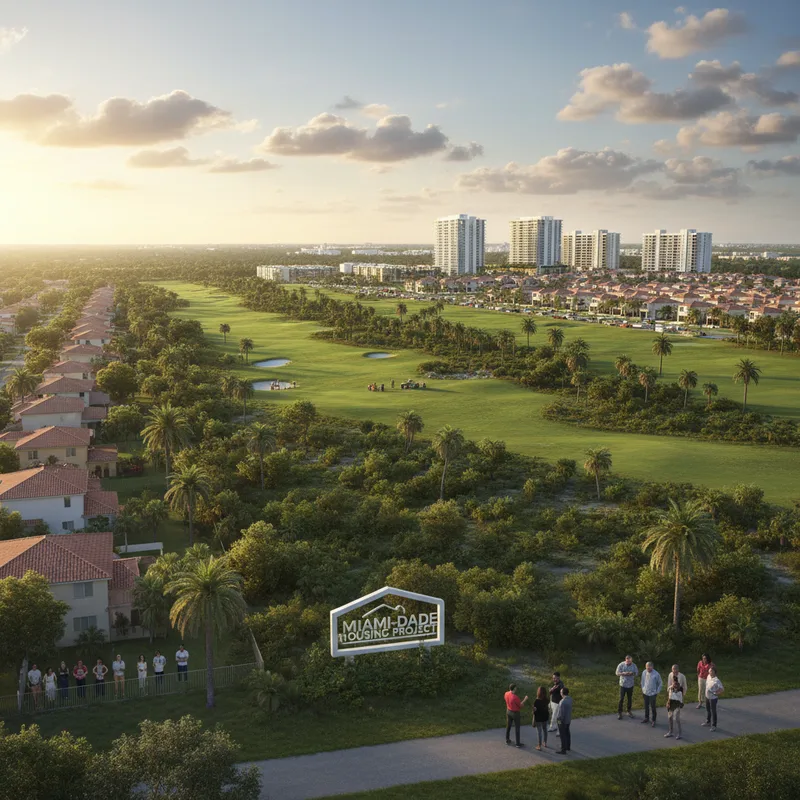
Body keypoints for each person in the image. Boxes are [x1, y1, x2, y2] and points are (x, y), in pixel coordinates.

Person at [504, 682, 528, 748]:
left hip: (508, 711)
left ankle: (507, 739)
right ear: (514, 689)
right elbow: (520, 705)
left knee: (508, 725)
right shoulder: (515, 697)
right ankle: (517, 743)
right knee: (517, 727)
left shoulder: (506, 693)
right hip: (515, 713)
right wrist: (525, 699)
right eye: (516, 688)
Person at [616, 654, 639, 719]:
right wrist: (623, 673)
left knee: (629, 698)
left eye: (630, 662)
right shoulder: (621, 664)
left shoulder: (634, 665)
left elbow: (636, 673)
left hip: (630, 685)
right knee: (621, 699)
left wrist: (631, 673)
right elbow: (617, 673)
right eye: (627, 662)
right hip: (623, 684)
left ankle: (629, 711)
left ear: (631, 661)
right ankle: (619, 712)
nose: (629, 663)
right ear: (625, 660)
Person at [640, 661, 663, 727]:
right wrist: (643, 689)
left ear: (652, 667)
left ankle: (653, 720)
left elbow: (660, 683)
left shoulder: (656, 674)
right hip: (645, 692)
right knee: (646, 706)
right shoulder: (644, 672)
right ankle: (646, 718)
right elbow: (642, 681)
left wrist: (657, 691)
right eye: (647, 668)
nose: (648, 669)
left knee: (653, 707)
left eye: (649, 668)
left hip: (653, 693)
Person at [703, 667, 724, 731]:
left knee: (713, 711)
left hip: (713, 698)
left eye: (711, 671)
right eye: (709, 671)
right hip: (707, 697)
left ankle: (714, 725)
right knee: (708, 709)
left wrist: (716, 693)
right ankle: (708, 722)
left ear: (714, 672)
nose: (710, 672)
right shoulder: (708, 676)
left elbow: (722, 689)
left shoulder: (717, 680)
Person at [664, 674, 684, 739]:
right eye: (672, 682)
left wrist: (676, 690)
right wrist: (668, 702)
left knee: (677, 719)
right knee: (670, 718)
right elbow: (669, 696)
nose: (673, 684)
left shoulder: (679, 689)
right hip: (671, 705)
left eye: (675, 682)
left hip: (677, 705)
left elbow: (680, 698)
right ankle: (671, 732)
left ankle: (680, 734)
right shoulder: (670, 688)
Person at [555, 687, 573, 755]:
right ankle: (568, 746)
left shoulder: (562, 702)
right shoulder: (570, 699)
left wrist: (558, 720)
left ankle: (563, 749)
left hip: (561, 721)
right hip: (568, 720)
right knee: (567, 733)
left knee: (562, 735)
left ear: (562, 693)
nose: (560, 693)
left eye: (560, 692)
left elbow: (561, 714)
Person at [532, 686, 549, 750]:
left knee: (539, 732)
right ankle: (545, 742)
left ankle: (539, 745)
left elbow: (535, 711)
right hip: (545, 717)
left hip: (538, 718)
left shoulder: (536, 701)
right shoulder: (547, 700)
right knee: (545, 730)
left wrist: (533, 709)